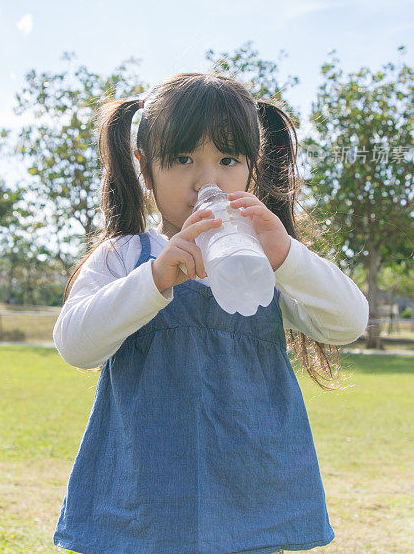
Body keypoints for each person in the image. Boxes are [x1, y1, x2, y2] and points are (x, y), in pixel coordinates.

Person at [52, 71, 369, 554]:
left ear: (251, 167)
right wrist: (155, 278)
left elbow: (349, 322)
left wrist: (287, 256)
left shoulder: (268, 256)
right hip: (143, 501)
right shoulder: (127, 254)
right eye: (182, 159)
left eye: (227, 160)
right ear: (144, 167)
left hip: (252, 495)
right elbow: (75, 344)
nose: (208, 181)